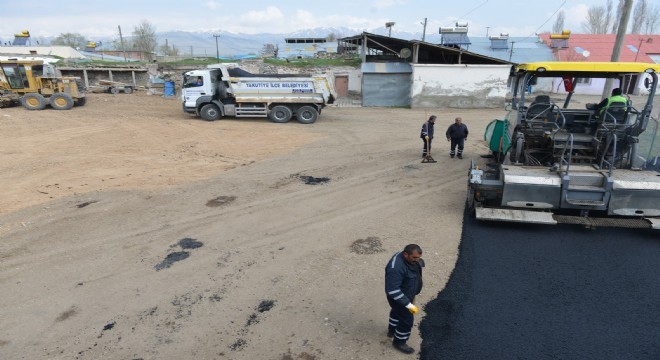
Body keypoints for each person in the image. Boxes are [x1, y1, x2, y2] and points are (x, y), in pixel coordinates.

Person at [385, 244, 424, 354]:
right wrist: (409, 304)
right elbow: (393, 291)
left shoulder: (408, 258)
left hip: (407, 294)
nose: (417, 260)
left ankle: (391, 331)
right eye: (414, 258)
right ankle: (399, 342)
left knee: (396, 312)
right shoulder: (395, 268)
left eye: (419, 257)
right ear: (405, 254)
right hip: (398, 297)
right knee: (407, 319)